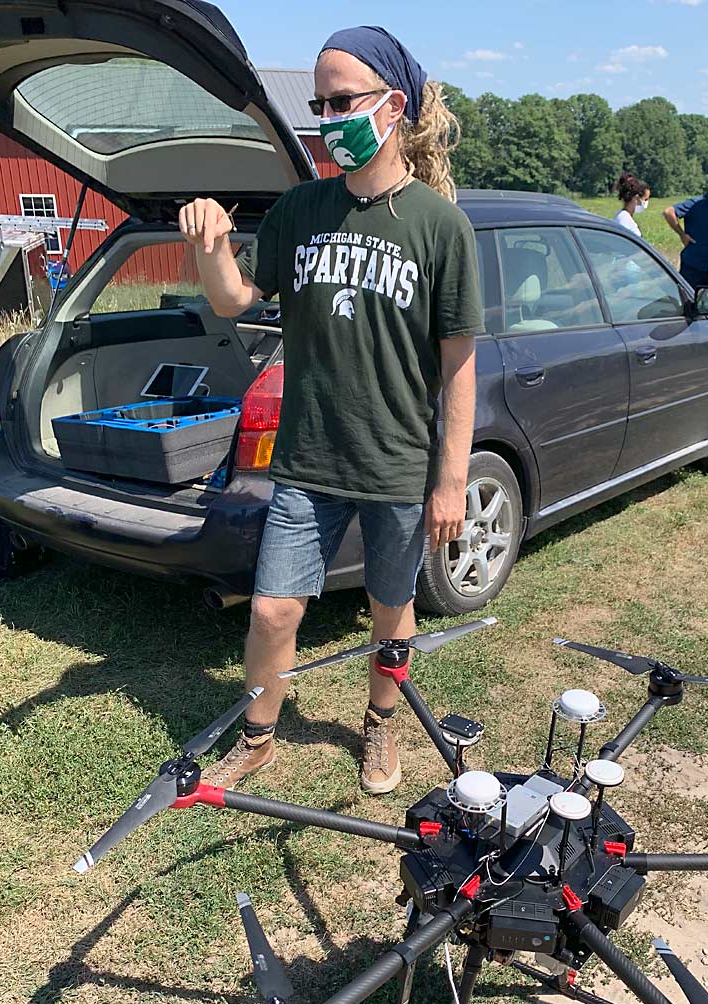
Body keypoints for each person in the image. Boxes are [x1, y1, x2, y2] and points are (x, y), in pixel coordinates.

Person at [178, 26, 483, 794]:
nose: (326, 116)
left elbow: (459, 368)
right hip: (308, 459)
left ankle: (382, 724)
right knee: (275, 611)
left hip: (396, 464)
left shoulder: (439, 226)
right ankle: (256, 735)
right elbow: (237, 300)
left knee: (392, 608)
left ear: (394, 106)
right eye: (319, 102)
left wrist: (450, 480)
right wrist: (211, 248)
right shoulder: (300, 209)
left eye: (341, 100)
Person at [613, 172, 651, 238]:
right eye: (645, 199)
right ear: (636, 198)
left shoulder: (624, 216)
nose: (646, 203)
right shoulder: (624, 220)